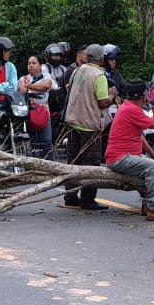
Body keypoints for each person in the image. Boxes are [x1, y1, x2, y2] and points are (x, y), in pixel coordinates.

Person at [105, 80, 154, 222]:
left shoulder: (128, 107)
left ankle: (148, 203)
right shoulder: (131, 110)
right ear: (144, 96)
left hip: (125, 155)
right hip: (120, 157)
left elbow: (140, 136)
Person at [62, 44, 112, 210]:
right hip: (90, 124)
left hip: (73, 120)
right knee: (91, 164)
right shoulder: (99, 75)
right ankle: (88, 199)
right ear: (101, 59)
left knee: (73, 161)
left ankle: (70, 196)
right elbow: (102, 101)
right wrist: (113, 95)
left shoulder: (78, 70)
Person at [19, 55, 54, 156]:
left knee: (46, 142)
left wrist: (29, 86)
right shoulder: (24, 78)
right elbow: (22, 90)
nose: (30, 65)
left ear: (40, 65)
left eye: (33, 63)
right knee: (31, 142)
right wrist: (37, 87)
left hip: (43, 113)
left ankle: (51, 168)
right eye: (29, 63)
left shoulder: (45, 76)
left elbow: (46, 85)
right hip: (29, 115)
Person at [42, 43, 72, 130]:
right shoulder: (44, 68)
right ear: (49, 56)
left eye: (58, 56)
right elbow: (50, 84)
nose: (57, 58)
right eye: (54, 56)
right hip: (48, 100)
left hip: (61, 100)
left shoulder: (63, 69)